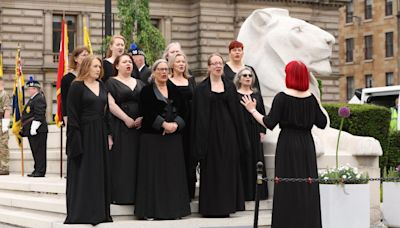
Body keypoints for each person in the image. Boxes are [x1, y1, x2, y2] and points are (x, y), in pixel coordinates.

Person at [241, 60, 327, 228]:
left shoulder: (282, 97)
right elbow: (322, 122)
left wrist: (252, 110)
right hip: (306, 145)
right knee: (307, 185)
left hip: (287, 144)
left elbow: (269, 122)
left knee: (286, 185)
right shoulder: (311, 98)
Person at [192, 53, 247, 217]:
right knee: (211, 170)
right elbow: (197, 116)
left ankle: (227, 206)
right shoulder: (201, 88)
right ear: (208, 67)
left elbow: (237, 114)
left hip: (228, 134)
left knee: (227, 169)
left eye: (220, 63)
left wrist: (240, 138)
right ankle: (211, 208)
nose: (218, 66)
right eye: (214, 63)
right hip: (209, 135)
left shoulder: (230, 86)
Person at [135, 59, 190, 220]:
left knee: (173, 175)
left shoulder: (175, 90)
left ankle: (175, 210)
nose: (164, 72)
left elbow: (185, 111)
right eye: (160, 69)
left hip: (173, 139)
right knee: (153, 176)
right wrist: (163, 125)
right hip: (152, 139)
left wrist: (176, 125)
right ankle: (150, 211)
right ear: (154, 72)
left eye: (166, 69)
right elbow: (146, 111)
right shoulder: (146, 91)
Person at [64, 56, 112, 225]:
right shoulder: (76, 86)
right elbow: (73, 114)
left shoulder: (102, 85)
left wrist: (108, 134)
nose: (98, 69)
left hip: (99, 132)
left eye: (99, 66)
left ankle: (100, 212)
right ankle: (83, 213)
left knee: (99, 172)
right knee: (84, 172)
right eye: (95, 66)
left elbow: (106, 113)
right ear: (86, 67)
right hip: (83, 133)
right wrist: (75, 141)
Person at [105, 53, 144, 205]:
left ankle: (137, 195)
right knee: (122, 160)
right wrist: (126, 118)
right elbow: (111, 104)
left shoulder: (140, 83)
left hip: (139, 126)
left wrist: (143, 117)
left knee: (137, 159)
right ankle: (121, 195)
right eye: (125, 62)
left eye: (130, 62)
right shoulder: (111, 82)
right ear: (116, 66)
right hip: (120, 126)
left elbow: (147, 102)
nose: (128, 64)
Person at [234, 67, 268, 201]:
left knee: (256, 159)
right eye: (244, 75)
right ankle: (245, 193)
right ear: (239, 79)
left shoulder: (257, 95)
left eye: (250, 75)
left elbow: (262, 113)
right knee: (244, 159)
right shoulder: (235, 95)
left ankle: (258, 193)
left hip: (255, 131)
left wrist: (262, 131)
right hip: (241, 132)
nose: (248, 77)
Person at [167, 52, 197, 199]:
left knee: (190, 157)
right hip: (176, 123)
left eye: (183, 62)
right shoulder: (168, 81)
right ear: (172, 64)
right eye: (178, 61)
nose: (181, 64)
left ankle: (190, 191)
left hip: (191, 124)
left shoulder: (191, 81)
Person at [21, 79, 48, 177]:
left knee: (39, 151)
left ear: (35, 89)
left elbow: (39, 113)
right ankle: (37, 169)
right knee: (35, 151)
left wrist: (34, 127)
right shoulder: (33, 99)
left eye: (30, 88)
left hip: (38, 130)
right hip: (33, 130)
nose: (28, 90)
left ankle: (40, 171)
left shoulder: (39, 98)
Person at [61, 46, 89, 126]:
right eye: (84, 55)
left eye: (88, 55)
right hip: (74, 116)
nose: (86, 58)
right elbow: (64, 100)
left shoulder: (91, 77)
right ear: (76, 59)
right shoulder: (67, 79)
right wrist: (66, 119)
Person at [0, 78, 11, 175]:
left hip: (1, 122)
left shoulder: (4, 94)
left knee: (3, 145)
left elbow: (7, 110)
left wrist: (5, 125)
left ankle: (4, 167)